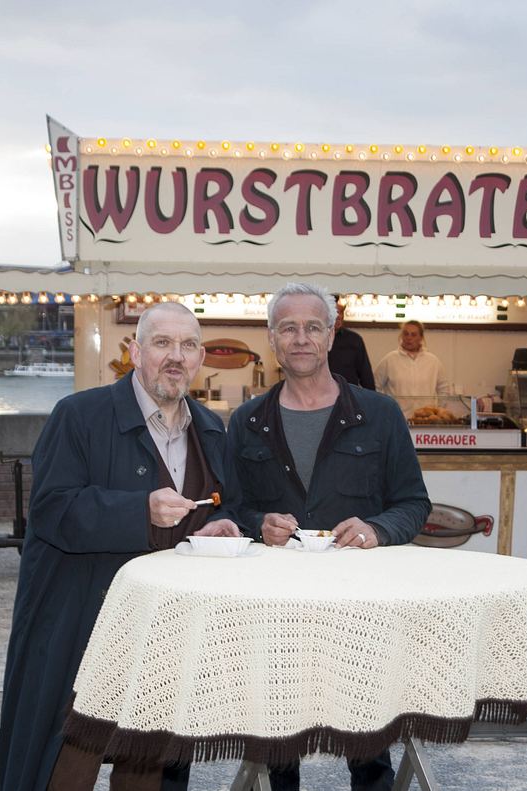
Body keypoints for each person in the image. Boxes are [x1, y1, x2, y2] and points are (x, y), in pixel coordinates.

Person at [0, 302, 240, 791]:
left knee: (148, 760)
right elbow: (51, 511)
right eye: (162, 343)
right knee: (68, 758)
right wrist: (139, 510)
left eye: (187, 346)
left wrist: (222, 523)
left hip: (166, 626)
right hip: (83, 621)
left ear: (201, 356)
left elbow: (229, 502)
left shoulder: (210, 428)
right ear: (135, 351)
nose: (175, 357)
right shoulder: (79, 416)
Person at [226, 282, 432, 791]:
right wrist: (258, 525)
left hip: (361, 607)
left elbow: (414, 503)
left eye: (313, 327)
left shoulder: (379, 415)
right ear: (272, 337)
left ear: (331, 334)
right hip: (277, 608)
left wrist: (377, 529)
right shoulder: (246, 422)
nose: (301, 338)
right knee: (280, 738)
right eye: (288, 328)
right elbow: (231, 508)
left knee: (368, 739)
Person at [372, 320, 451, 397]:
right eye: (406, 334)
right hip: (397, 410)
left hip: (425, 410)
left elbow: (443, 389)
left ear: (421, 338)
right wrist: (384, 406)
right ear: (401, 336)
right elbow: (374, 385)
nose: (409, 338)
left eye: (413, 335)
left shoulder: (433, 361)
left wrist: (438, 409)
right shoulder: (390, 359)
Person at [326, 298, 375, 389]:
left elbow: (366, 375)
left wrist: (372, 399)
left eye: (341, 312)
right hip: (320, 395)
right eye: (335, 312)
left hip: (348, 396)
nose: (339, 316)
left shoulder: (354, 340)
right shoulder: (317, 339)